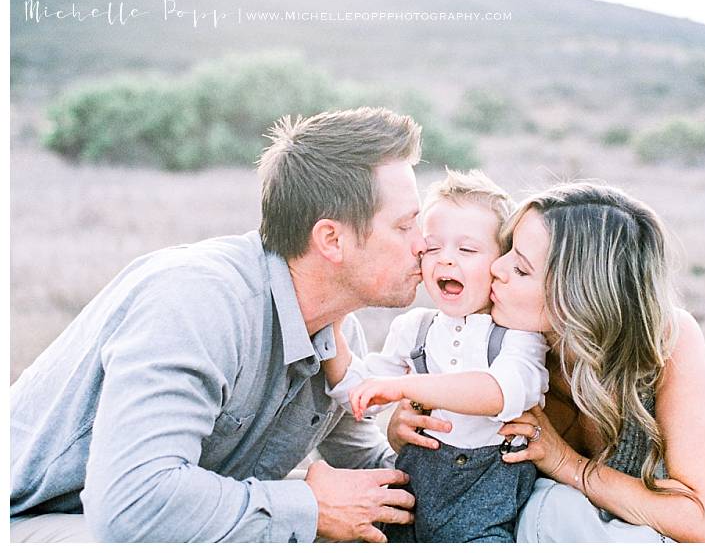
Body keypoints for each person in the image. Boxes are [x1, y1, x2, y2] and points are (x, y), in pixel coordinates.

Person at [10, 107, 429, 543]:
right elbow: (131, 507)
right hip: (29, 518)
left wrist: (440, 440)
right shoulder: (198, 301)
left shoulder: (335, 332)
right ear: (331, 239)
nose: (424, 244)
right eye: (405, 226)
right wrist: (310, 506)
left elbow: (369, 480)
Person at [388, 182, 705, 542]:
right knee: (550, 512)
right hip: (572, 528)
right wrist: (400, 427)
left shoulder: (665, 340)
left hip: (661, 529)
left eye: (520, 269)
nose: (496, 270)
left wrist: (565, 463)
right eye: (505, 252)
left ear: (577, 298)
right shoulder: (479, 342)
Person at [321, 170, 549, 542]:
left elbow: (502, 393)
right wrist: (330, 324)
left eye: (467, 250)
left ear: (501, 261)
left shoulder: (517, 336)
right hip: (412, 495)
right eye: (432, 248)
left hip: (482, 504)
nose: (445, 260)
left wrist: (405, 386)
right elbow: (360, 392)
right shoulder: (416, 328)